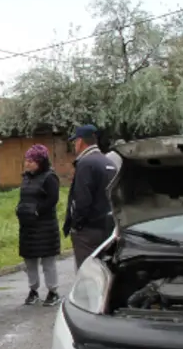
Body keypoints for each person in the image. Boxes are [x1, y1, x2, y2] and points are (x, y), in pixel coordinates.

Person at [63, 125, 117, 269]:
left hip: (87, 231)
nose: (75, 145)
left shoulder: (85, 164)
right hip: (107, 227)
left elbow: (81, 199)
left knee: (87, 272)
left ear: (80, 141)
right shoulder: (109, 163)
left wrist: (76, 225)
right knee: (104, 270)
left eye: (75, 142)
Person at [16, 145, 61, 307]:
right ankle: (33, 290)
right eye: (26, 160)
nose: (27, 164)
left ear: (40, 162)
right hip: (28, 227)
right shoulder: (26, 177)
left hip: (45, 227)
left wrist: (37, 211)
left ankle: (53, 291)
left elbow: (52, 200)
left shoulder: (50, 178)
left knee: (48, 261)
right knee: (30, 261)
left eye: (31, 161)